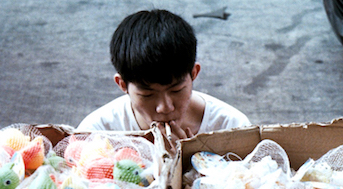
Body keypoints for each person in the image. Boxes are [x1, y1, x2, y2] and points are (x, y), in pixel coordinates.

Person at [76, 9, 250, 143]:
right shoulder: (98, 134)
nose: (165, 108)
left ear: (194, 74)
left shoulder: (232, 128)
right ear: (122, 84)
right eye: (147, 94)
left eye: (176, 90)